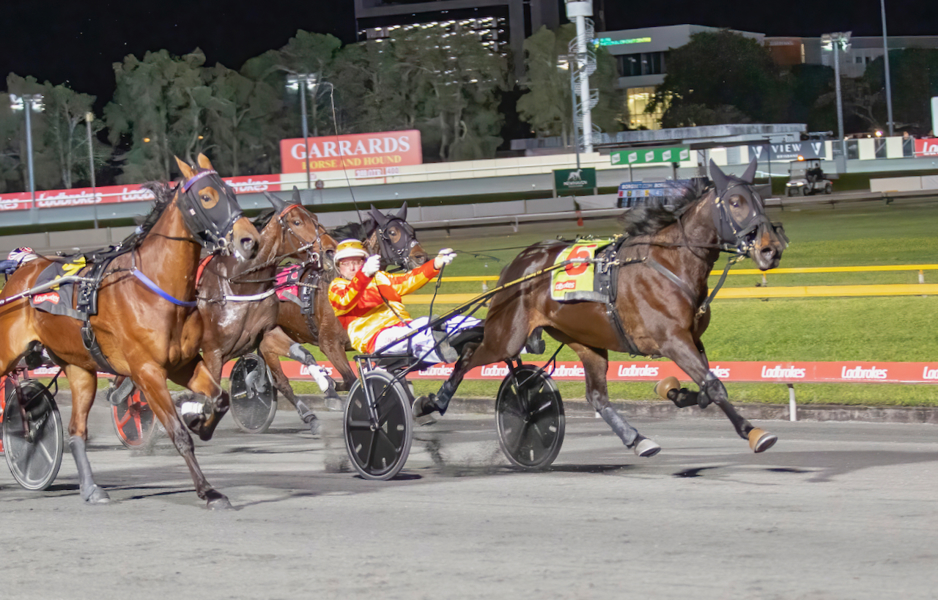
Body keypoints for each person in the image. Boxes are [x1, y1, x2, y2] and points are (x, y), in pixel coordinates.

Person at [328, 239, 479, 365]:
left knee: (447, 321)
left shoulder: (380, 277)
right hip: (375, 337)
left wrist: (435, 264)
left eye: (356, 262)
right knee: (421, 330)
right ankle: (439, 350)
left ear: (364, 262)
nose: (352, 267)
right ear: (339, 267)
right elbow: (345, 301)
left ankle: (480, 328)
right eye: (346, 263)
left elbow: (409, 280)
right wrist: (364, 274)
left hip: (404, 327)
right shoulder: (337, 287)